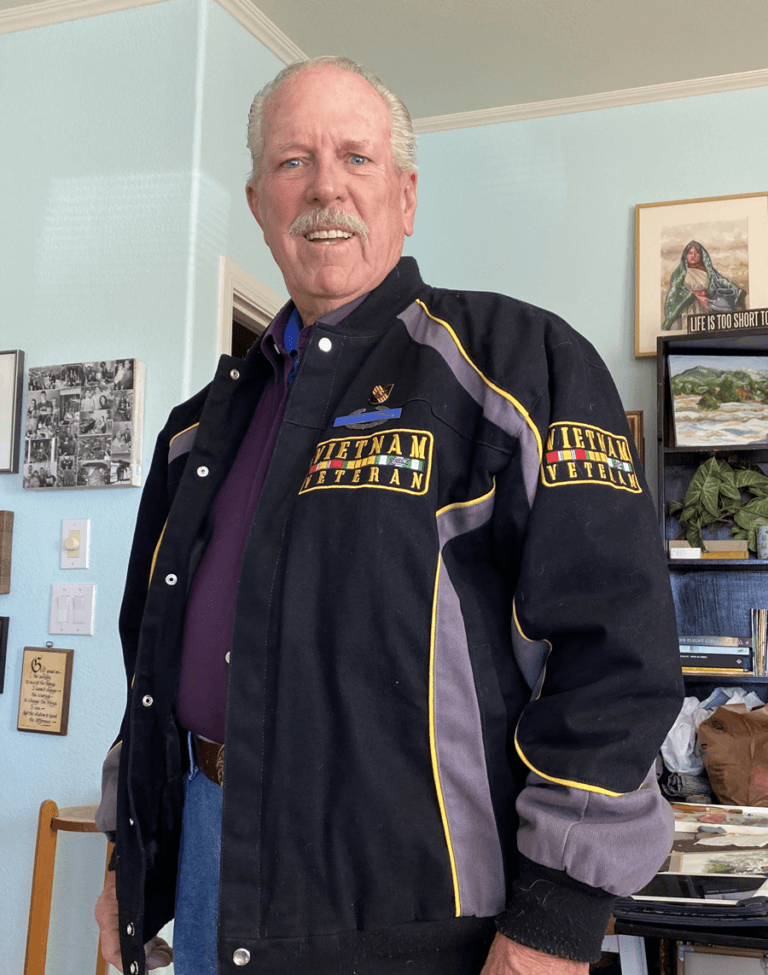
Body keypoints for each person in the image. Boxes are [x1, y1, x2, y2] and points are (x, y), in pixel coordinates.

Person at [95, 57, 682, 975]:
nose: (324, 186)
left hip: (427, 909)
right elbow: (151, 664)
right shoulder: (194, 433)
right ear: (258, 203)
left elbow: (616, 655)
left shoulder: (518, 365)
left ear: (405, 196)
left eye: (355, 157)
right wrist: (126, 857)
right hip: (212, 850)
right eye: (292, 161)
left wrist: (556, 921)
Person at [663, 239, 747, 330]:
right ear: (686, 255)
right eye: (690, 253)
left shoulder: (709, 272)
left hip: (706, 307)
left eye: (696, 253)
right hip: (687, 308)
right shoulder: (680, 274)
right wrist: (697, 297)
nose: (693, 256)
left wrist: (738, 292)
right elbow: (676, 291)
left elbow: (722, 282)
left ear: (701, 255)